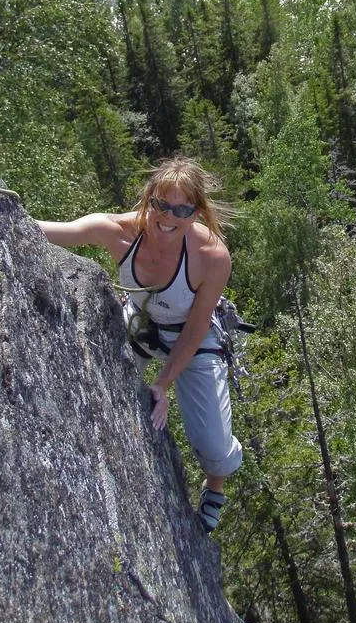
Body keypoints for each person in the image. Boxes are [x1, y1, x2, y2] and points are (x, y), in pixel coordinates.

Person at [36, 156, 242, 533]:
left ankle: (215, 486)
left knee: (214, 448)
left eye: (181, 208)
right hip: (142, 323)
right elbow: (52, 231)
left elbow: (196, 329)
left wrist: (162, 385)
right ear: (149, 199)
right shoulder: (116, 232)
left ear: (196, 213)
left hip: (190, 340)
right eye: (162, 204)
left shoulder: (212, 258)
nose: (168, 216)